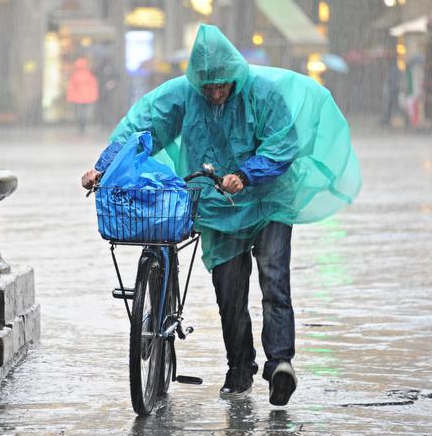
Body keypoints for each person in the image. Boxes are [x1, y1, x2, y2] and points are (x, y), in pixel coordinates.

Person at [81, 25, 361, 405]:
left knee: (273, 278)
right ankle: (239, 366)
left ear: (235, 76)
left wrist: (247, 174)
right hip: (216, 204)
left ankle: (280, 362)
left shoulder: (262, 94)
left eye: (221, 86)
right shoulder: (184, 95)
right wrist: (104, 166)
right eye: (207, 87)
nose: (214, 93)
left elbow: (283, 143)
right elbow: (141, 128)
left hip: (268, 200)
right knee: (230, 293)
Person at [67, 57, 99, 133]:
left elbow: (71, 87)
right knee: (84, 112)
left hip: (77, 98)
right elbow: (93, 86)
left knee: (79, 112)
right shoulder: (89, 74)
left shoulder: (75, 75)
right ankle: (83, 125)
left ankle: (80, 125)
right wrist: (93, 96)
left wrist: (70, 97)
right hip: (87, 97)